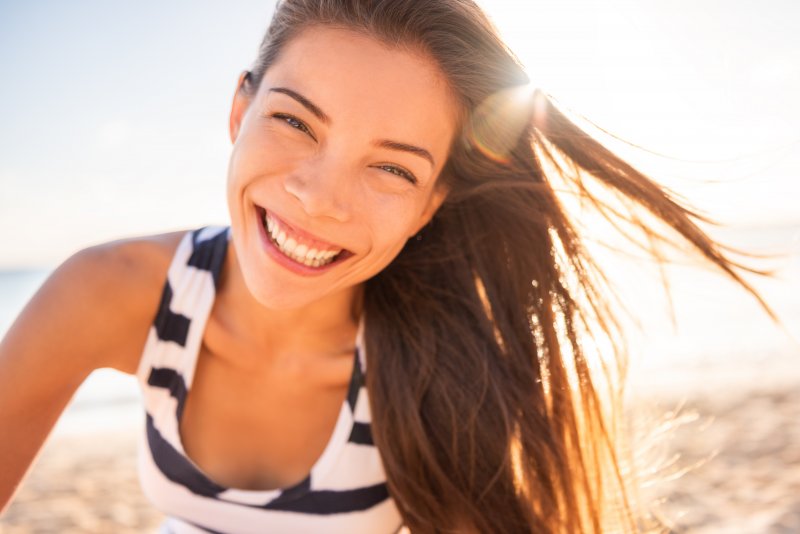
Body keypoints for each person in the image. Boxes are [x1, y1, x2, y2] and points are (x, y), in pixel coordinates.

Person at [0, 0, 780, 532]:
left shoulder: (449, 365)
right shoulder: (112, 293)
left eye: (393, 169)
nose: (319, 199)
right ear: (240, 111)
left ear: (433, 202)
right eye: (294, 122)